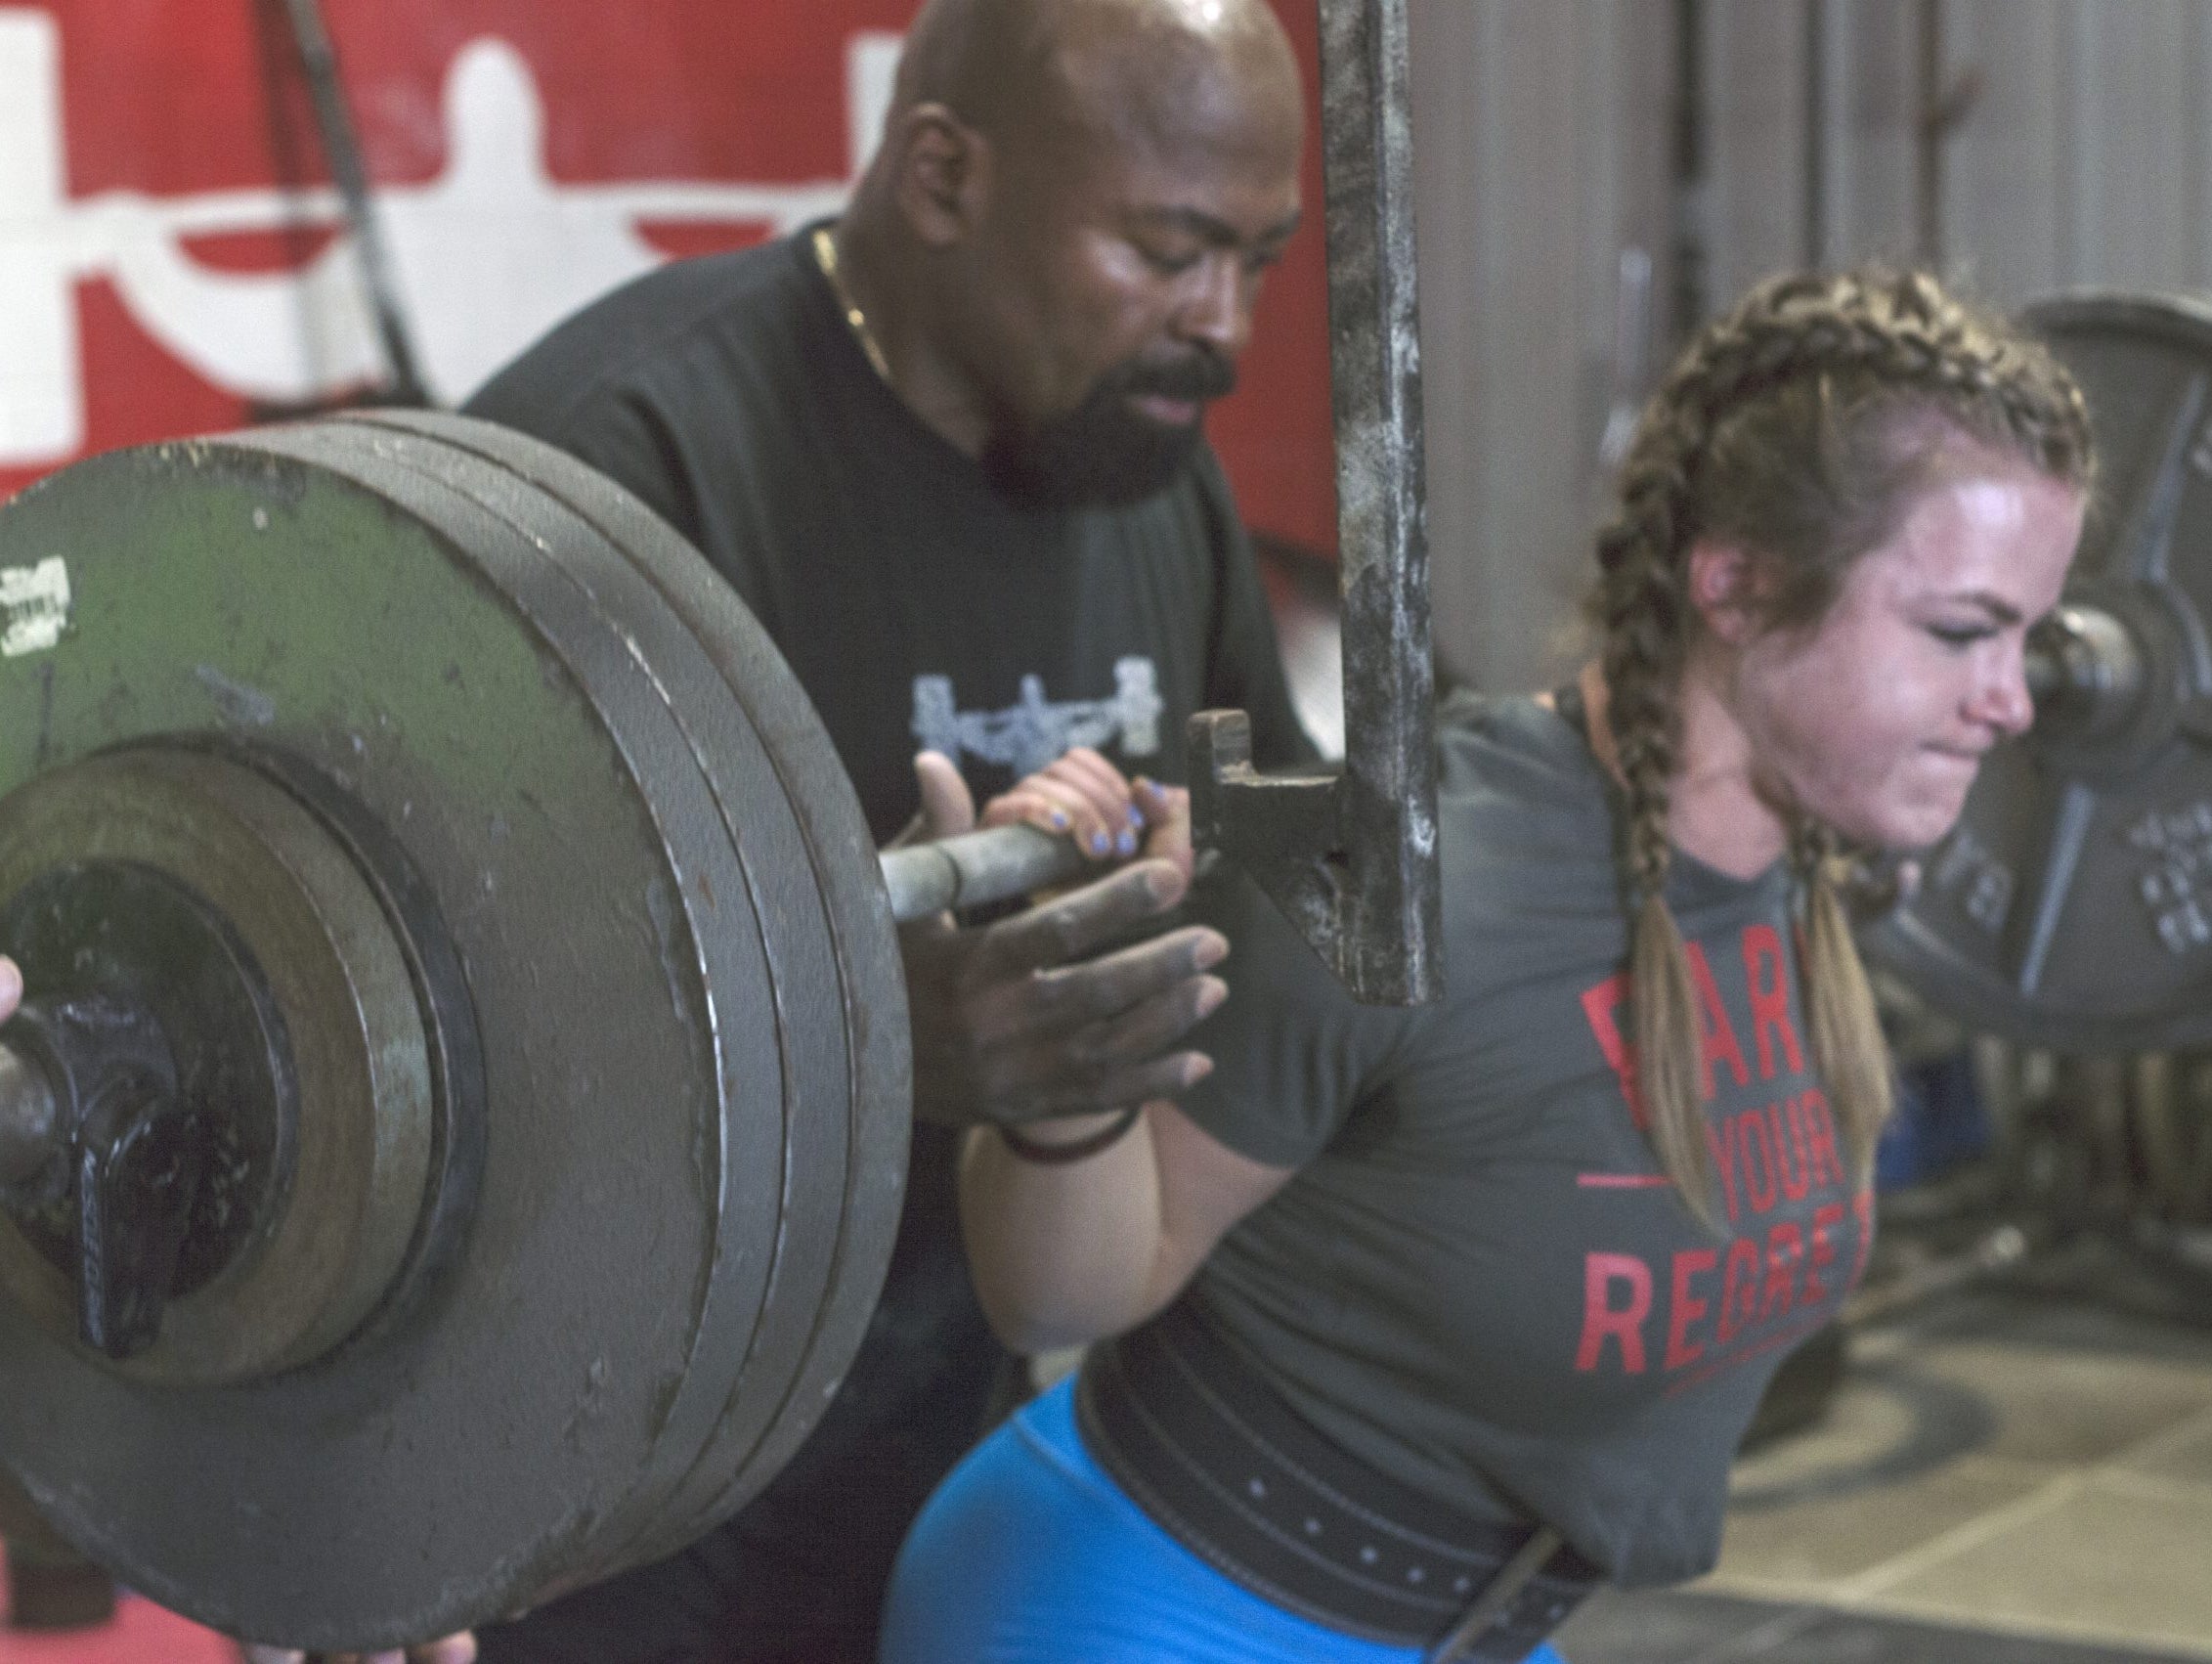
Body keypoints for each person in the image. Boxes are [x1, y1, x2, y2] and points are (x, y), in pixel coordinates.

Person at [879, 267, 2096, 1663]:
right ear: (1740, 587)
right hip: (1142, 1610)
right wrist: (1060, 1051)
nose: (2009, 701)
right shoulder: (1425, 875)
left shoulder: (1800, 867)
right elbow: (1062, 1295)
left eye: (2026, 638)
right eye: (1959, 632)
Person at [451, 1, 1316, 1660]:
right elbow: (429, 1059)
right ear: (941, 175)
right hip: (603, 1507)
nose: (1223, 326)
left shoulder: (1144, 469)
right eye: (1167, 249)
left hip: (953, 1449)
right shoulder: (612, 475)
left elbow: (1269, 854)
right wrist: (869, 1047)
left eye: (1260, 262)